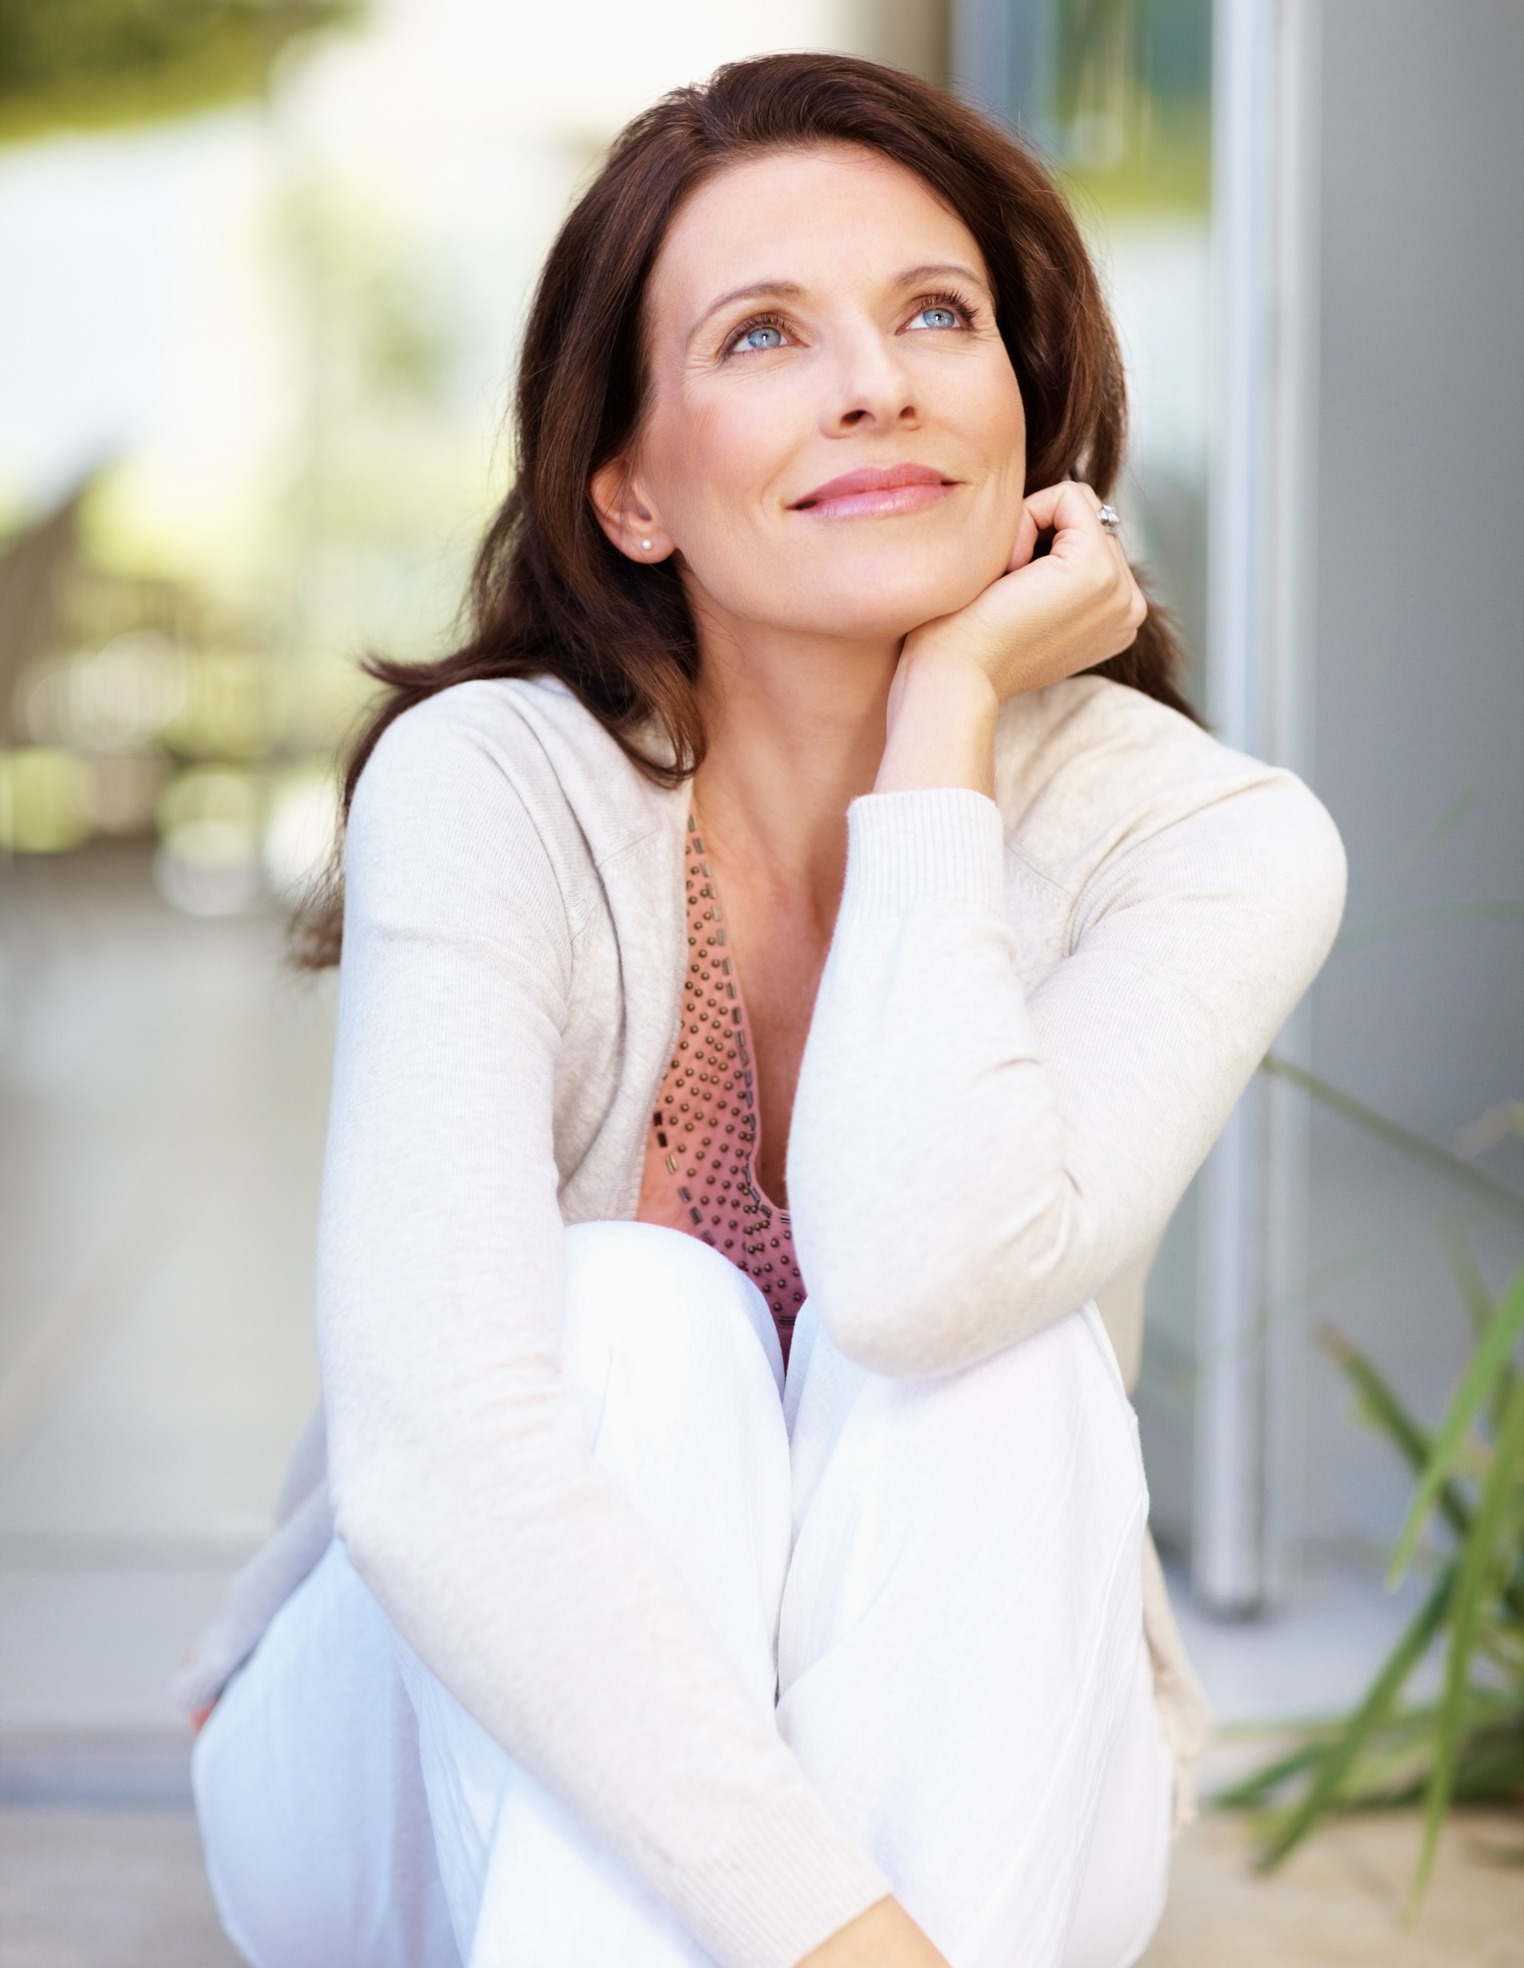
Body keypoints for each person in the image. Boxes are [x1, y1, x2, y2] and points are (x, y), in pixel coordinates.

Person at [179, 52, 1346, 1968]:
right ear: (628, 489)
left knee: (993, 1353)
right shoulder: (493, 785)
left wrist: (943, 734)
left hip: (989, 1782)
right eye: (760, 336)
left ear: (1026, 408)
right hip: (430, 1774)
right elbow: (440, 1475)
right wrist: (842, 1938)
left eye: (936, 315)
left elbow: (913, 1277)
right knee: (636, 1312)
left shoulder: (1214, 844)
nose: (874, 381)